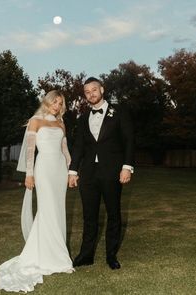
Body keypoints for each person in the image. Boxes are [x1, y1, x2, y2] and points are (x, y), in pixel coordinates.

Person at [0, 90, 74, 293]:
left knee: (57, 210)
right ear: (47, 102)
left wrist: (70, 171)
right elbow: (31, 151)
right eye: (54, 102)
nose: (57, 106)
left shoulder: (60, 123)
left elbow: (65, 150)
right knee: (47, 209)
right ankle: (50, 257)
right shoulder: (35, 121)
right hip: (43, 169)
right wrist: (29, 174)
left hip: (59, 170)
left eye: (60, 103)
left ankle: (57, 254)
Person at [68, 77, 134, 270]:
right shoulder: (82, 118)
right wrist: (73, 170)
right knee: (89, 216)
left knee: (114, 214)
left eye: (94, 90)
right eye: (87, 92)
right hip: (88, 173)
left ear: (102, 89)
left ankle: (111, 256)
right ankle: (86, 255)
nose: (91, 95)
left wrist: (127, 167)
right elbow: (79, 146)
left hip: (112, 171)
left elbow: (129, 140)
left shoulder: (119, 112)